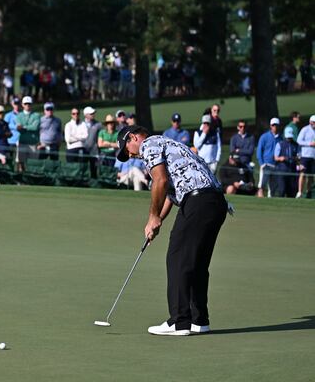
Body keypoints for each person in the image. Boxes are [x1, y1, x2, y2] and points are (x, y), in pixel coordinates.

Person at [116, 125, 227, 336]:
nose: (130, 154)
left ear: (133, 137)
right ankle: (199, 320)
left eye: (127, 148)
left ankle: (179, 321)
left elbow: (160, 180)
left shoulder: (149, 144)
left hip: (198, 201)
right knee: (197, 262)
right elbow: (169, 192)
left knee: (177, 257)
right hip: (215, 203)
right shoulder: (169, 144)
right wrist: (158, 221)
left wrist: (152, 217)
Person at [256, 118, 282, 197]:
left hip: (276, 165)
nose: (275, 127)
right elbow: (259, 151)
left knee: (273, 187)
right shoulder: (264, 137)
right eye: (273, 125)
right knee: (262, 185)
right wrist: (261, 163)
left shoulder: (281, 138)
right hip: (266, 164)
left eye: (276, 125)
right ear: (270, 126)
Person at [15, 96, 40, 170]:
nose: (27, 105)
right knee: (21, 164)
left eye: (29, 104)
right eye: (25, 104)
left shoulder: (36, 115)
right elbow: (19, 128)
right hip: (22, 142)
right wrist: (29, 127)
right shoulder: (19, 115)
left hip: (33, 143)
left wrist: (24, 127)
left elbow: (35, 127)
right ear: (22, 105)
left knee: (33, 164)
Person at [274, 127, 300, 198]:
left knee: (291, 193)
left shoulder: (296, 145)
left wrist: (297, 159)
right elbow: (275, 157)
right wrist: (281, 158)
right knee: (282, 191)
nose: (289, 139)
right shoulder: (280, 144)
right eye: (288, 137)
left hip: (292, 171)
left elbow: (298, 156)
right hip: (282, 171)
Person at [296, 115, 315, 198]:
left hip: (313, 156)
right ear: (310, 122)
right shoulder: (305, 129)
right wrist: (309, 144)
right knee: (302, 173)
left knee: (311, 175)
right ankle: (300, 192)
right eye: (313, 122)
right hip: (305, 155)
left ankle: (308, 192)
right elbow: (299, 140)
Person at [83, 106, 101, 176]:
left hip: (94, 150)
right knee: (83, 168)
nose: (93, 115)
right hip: (84, 150)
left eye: (93, 113)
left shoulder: (98, 125)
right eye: (91, 113)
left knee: (94, 169)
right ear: (86, 115)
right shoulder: (81, 124)